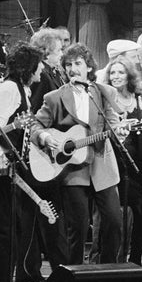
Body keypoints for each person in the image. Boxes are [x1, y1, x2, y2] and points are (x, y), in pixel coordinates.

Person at [31, 43, 124, 264]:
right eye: (69, 64)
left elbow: (112, 123)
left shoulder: (102, 92)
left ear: (89, 68)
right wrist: (45, 137)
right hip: (73, 169)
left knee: (113, 221)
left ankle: (107, 271)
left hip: (102, 164)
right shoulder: (55, 97)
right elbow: (35, 125)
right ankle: (73, 275)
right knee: (78, 228)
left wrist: (120, 131)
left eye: (78, 63)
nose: (73, 68)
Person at [0, 43, 44, 282]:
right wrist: (0, 156)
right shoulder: (9, 89)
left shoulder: (21, 89)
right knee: (7, 227)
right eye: (39, 65)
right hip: (1, 164)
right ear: (30, 66)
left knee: (6, 227)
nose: (42, 70)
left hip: (9, 163)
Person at [16, 27, 70, 282]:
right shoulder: (44, 78)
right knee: (43, 212)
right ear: (47, 53)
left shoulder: (54, 74)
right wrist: (47, 137)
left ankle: (44, 269)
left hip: (52, 155)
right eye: (59, 49)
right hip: (41, 153)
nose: (62, 54)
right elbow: (33, 116)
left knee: (48, 212)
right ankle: (35, 270)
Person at [97, 55, 142, 265]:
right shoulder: (104, 98)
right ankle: (109, 261)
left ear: (129, 75)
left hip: (135, 164)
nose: (116, 76)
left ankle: (136, 260)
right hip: (112, 163)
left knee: (141, 212)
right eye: (112, 72)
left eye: (120, 72)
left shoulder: (138, 98)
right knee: (112, 217)